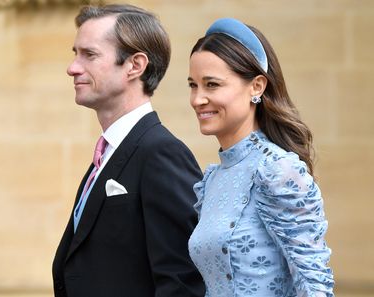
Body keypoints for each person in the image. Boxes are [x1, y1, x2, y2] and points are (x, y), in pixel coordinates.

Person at [52, 4, 205, 297]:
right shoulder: (109, 152)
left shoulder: (161, 153)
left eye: (90, 54)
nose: (73, 67)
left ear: (135, 65)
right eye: (75, 53)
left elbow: (183, 282)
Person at [187, 18, 334, 297]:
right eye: (193, 85)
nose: (197, 99)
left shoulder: (277, 169)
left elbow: (313, 284)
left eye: (212, 85)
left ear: (256, 86)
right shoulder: (212, 179)